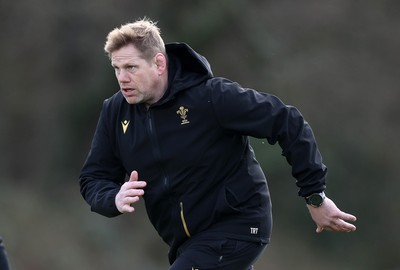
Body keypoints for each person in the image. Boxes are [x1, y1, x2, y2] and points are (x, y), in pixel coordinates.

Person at [79, 18, 357, 269]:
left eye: (131, 67)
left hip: (238, 225)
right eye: (116, 68)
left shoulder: (210, 97)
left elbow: (287, 121)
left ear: (159, 64)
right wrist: (112, 198)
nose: (122, 78)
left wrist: (314, 196)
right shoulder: (115, 111)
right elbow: (94, 177)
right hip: (185, 243)